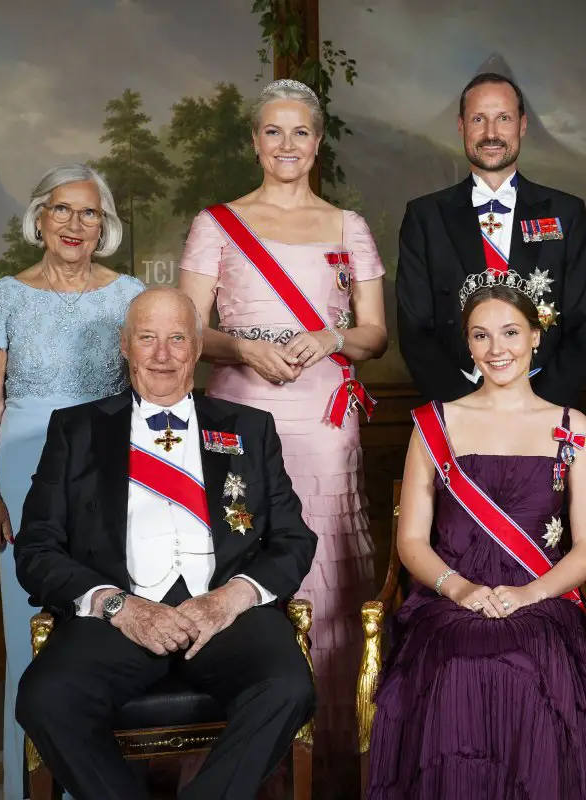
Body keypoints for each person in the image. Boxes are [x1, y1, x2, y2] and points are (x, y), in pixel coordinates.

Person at [13, 287, 317, 800]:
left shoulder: (249, 428)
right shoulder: (76, 430)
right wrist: (116, 605)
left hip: (226, 613)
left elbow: (292, 540)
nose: (162, 354)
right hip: (119, 611)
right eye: (147, 338)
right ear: (124, 345)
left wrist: (229, 600)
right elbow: (36, 550)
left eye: (177, 338)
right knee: (46, 698)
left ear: (197, 348)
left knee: (289, 689)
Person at [178, 78, 387, 793]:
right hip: (238, 411)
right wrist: (242, 349)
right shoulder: (217, 224)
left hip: (326, 418)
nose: (287, 145)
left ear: (319, 141)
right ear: (255, 141)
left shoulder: (348, 224)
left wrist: (330, 334)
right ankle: (249, 750)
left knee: (326, 576)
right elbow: (187, 331)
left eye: (301, 132)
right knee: (239, 557)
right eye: (273, 131)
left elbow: (374, 334)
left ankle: (328, 756)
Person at [366, 269, 586, 799]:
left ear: (535, 335)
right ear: (468, 344)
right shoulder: (433, 425)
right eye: (481, 335)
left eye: (510, 332)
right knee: (457, 661)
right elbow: (411, 541)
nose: (496, 348)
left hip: (542, 598)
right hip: (451, 598)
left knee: (530, 663)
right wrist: (458, 588)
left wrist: (530, 593)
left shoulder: (573, 428)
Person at [0, 163, 143, 799]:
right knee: (30, 633)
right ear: (39, 217)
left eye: (90, 212)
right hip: (20, 467)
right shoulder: (4, 297)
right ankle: (29, 789)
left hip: (104, 469)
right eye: (63, 210)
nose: (75, 224)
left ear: (106, 226)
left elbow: (153, 385)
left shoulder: (128, 296)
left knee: (100, 622)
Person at [396, 72, 586, 406]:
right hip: (456, 407)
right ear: (462, 126)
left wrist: (538, 407)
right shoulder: (424, 217)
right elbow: (415, 330)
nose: (491, 133)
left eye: (503, 118)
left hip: (544, 409)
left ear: (522, 125)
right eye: (479, 119)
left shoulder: (567, 214)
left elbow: (581, 325)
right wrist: (466, 407)